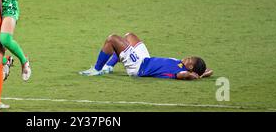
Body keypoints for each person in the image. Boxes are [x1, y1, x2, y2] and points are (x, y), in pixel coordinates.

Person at [79, 32, 213, 80]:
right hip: (145, 59)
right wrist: (202, 74)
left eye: (190, 59)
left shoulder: (181, 72)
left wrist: (194, 76)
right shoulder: (181, 65)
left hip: (139, 67)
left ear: (190, 67)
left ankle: (96, 70)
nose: (187, 57)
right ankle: (108, 66)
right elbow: (208, 71)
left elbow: (184, 75)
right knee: (129, 36)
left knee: (112, 39)